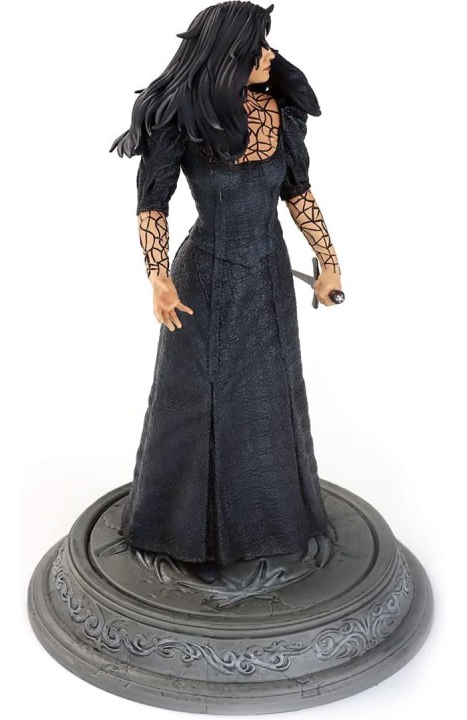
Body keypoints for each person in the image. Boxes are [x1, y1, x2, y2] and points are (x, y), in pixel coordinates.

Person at [108, 1, 343, 583]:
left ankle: (270, 526)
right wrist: (158, 277)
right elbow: (152, 204)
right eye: (257, 46)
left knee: (268, 399)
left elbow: (299, 193)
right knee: (197, 405)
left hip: (268, 276)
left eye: (267, 43)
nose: (269, 55)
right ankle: (186, 536)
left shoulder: (280, 112)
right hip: (204, 283)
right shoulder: (179, 118)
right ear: (227, 54)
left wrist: (330, 261)